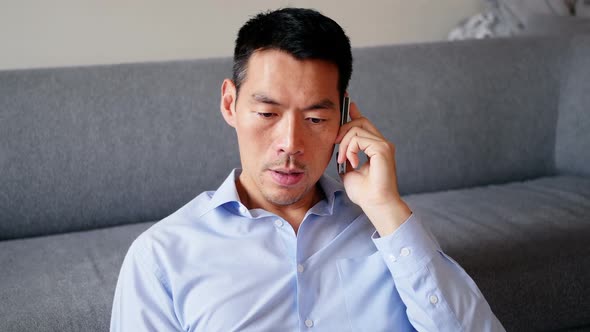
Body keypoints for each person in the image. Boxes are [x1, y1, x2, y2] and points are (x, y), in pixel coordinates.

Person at [110, 8, 505, 331]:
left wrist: (386, 208)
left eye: (315, 119)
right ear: (230, 104)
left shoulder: (387, 232)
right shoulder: (161, 256)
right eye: (267, 113)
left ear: (346, 115)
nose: (290, 143)